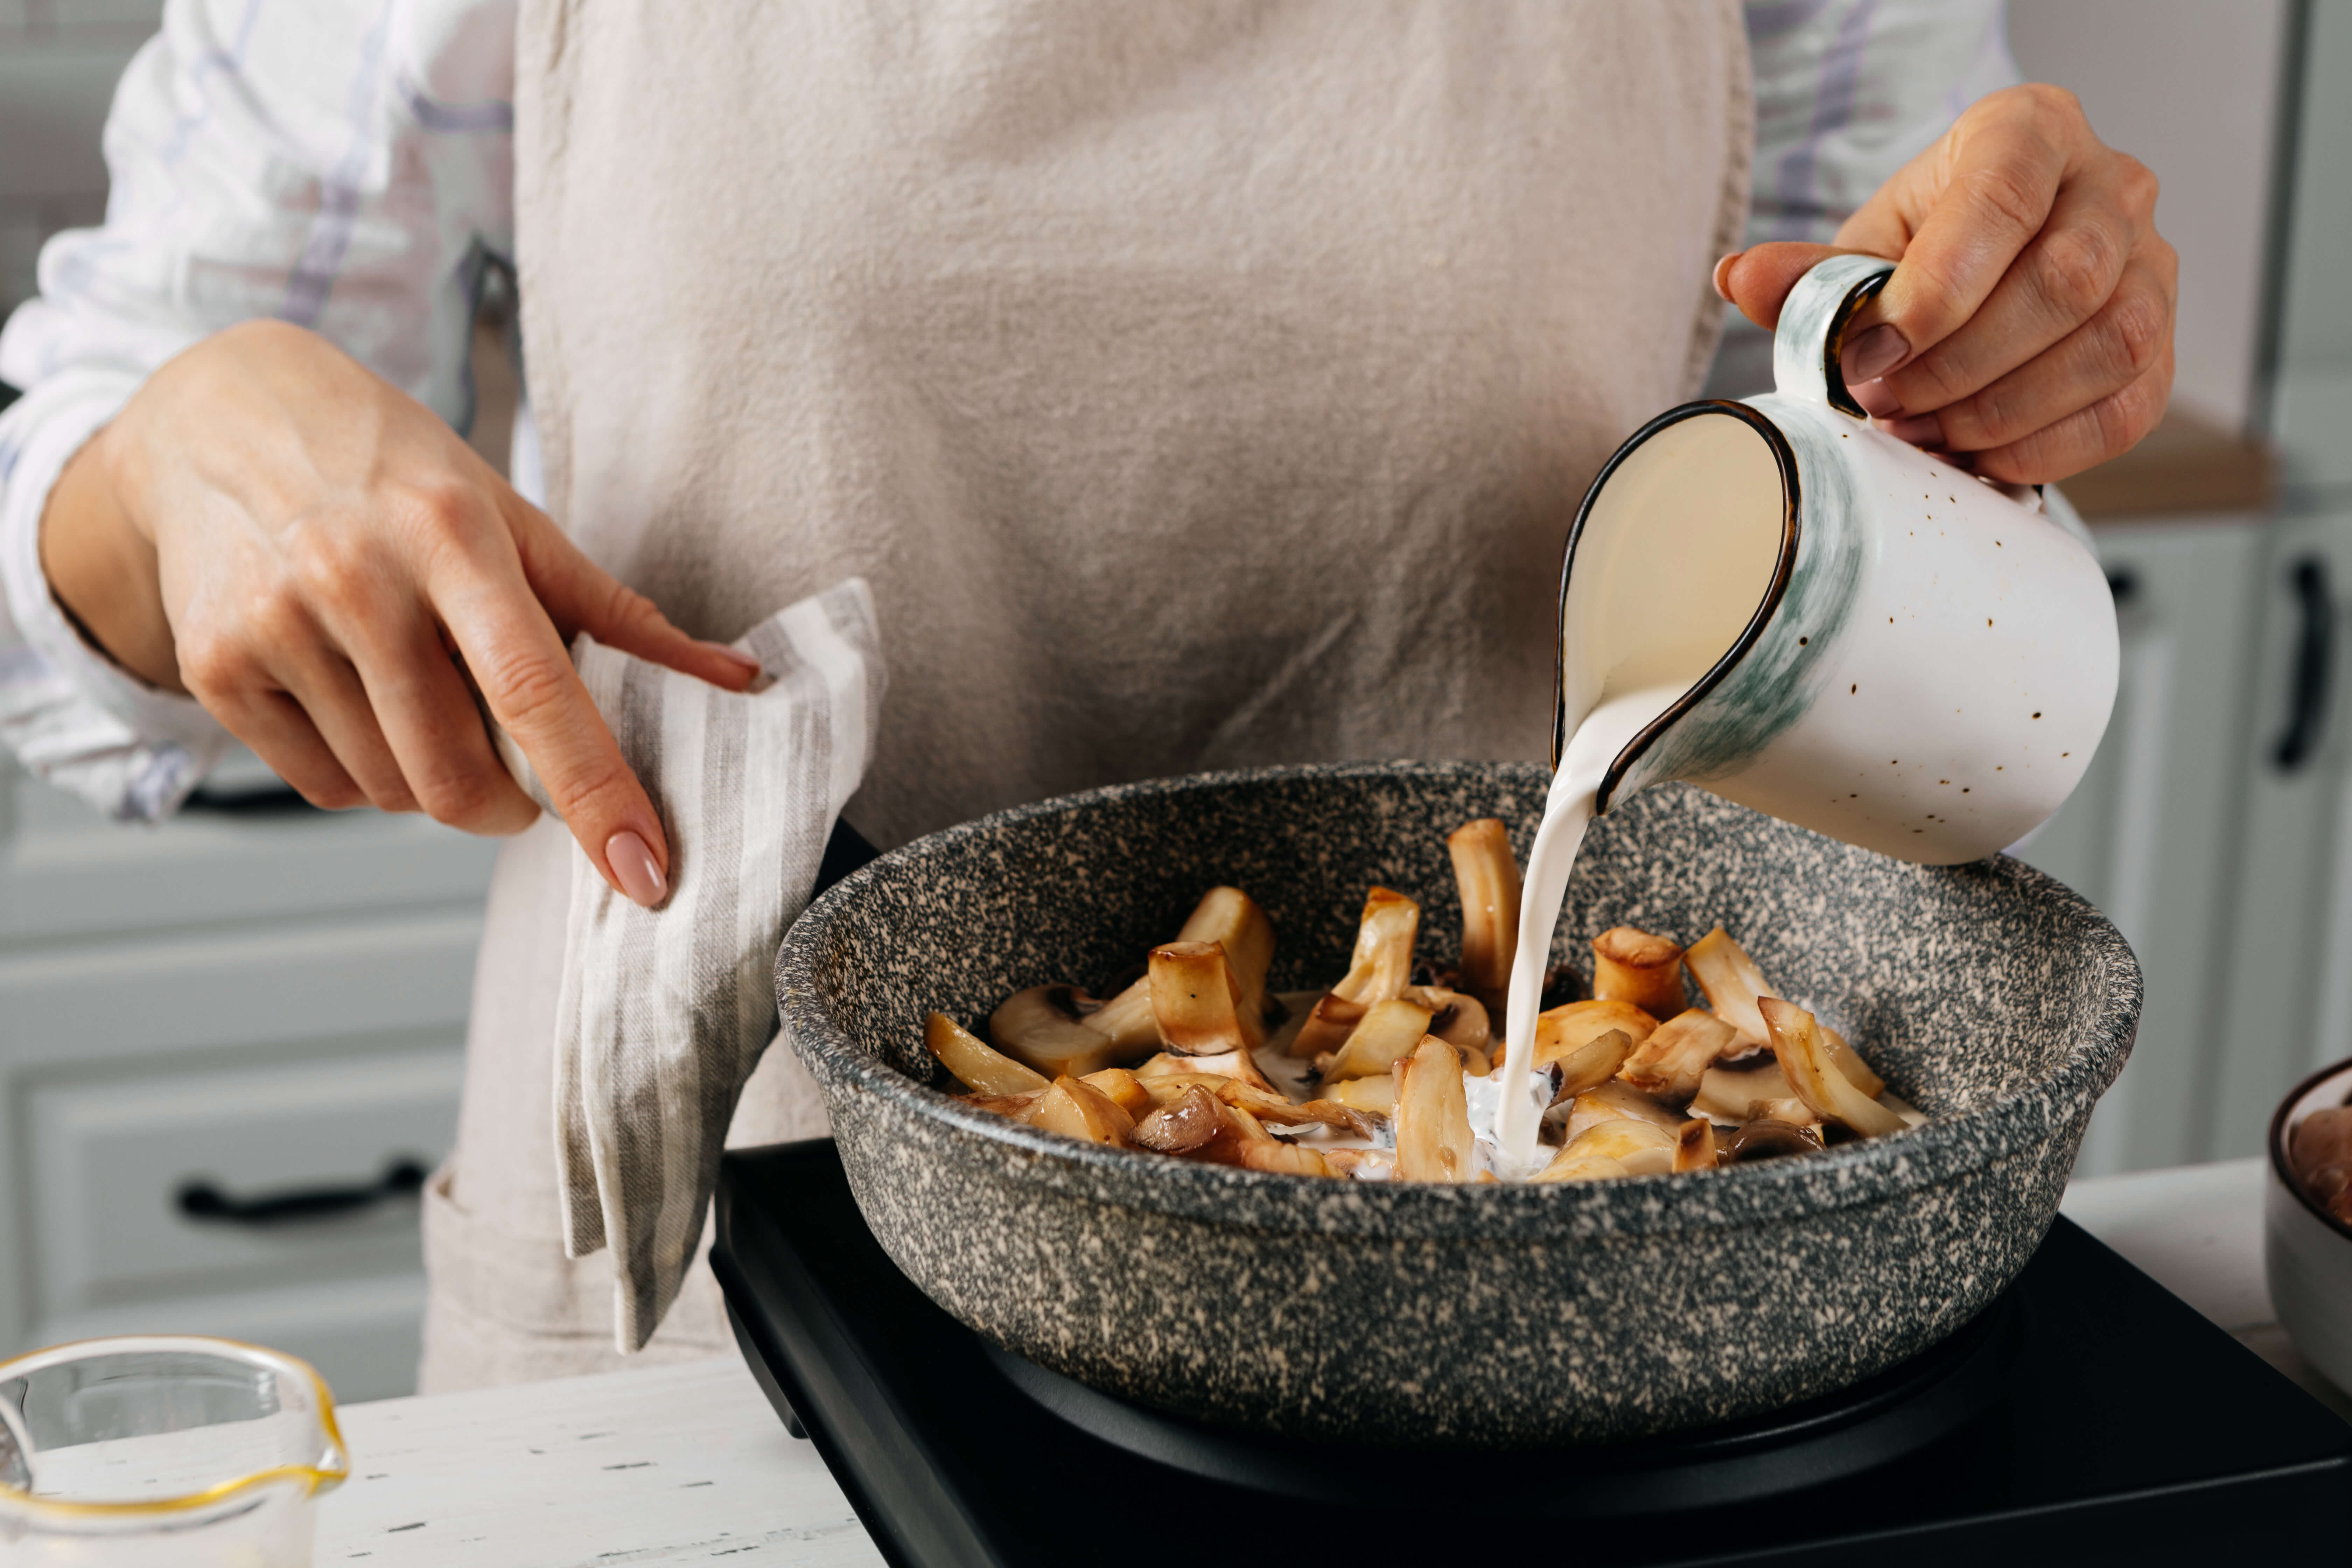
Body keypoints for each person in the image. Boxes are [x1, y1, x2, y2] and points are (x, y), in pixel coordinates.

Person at [0, 0, 2174, 1389]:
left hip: (1523, 1281)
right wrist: (183, 448)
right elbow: (67, 602)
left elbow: (1865, 451)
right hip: (745, 1200)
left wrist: (1990, 340)